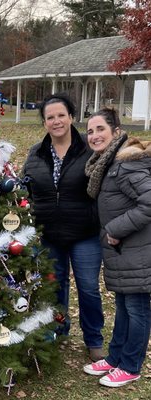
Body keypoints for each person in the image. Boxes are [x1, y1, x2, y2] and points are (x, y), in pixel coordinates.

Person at [23, 93, 104, 361]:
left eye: (61, 115)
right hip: (49, 235)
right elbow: (26, 191)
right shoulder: (36, 153)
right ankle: (58, 330)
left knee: (88, 288)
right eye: (50, 117)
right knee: (55, 286)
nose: (56, 121)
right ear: (44, 122)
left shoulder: (89, 151)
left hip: (85, 234)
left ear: (71, 117)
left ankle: (93, 339)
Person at [83, 108, 151, 387]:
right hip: (124, 252)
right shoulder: (108, 163)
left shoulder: (125, 163)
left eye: (100, 129)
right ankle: (115, 358)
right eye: (90, 131)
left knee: (137, 309)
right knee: (124, 307)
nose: (94, 136)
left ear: (116, 131)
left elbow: (149, 202)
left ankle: (131, 365)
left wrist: (114, 229)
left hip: (136, 250)